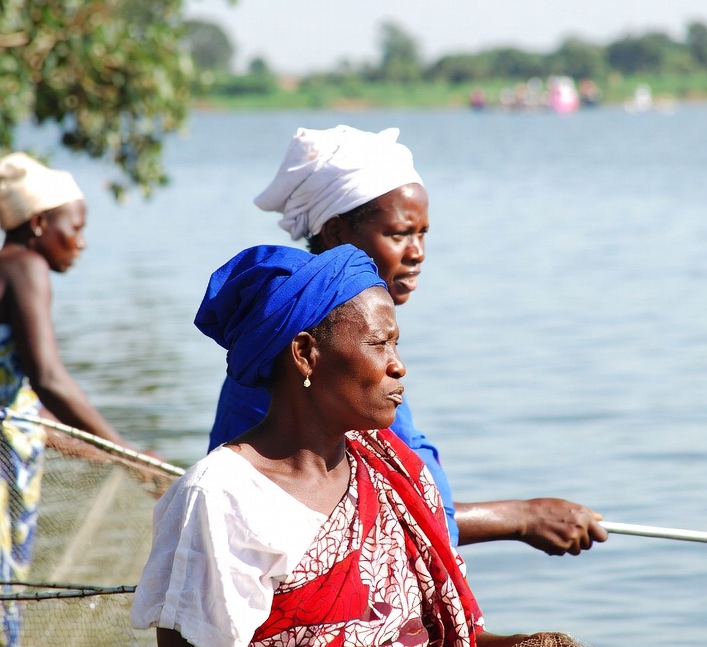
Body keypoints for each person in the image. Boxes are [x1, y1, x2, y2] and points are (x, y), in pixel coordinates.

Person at [132, 243, 594, 647]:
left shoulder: (392, 474)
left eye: (397, 344)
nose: (399, 366)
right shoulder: (221, 497)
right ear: (305, 356)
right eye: (380, 344)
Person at [208, 124, 608, 554]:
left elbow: (402, 498)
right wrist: (522, 518)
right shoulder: (297, 359)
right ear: (338, 233)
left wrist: (524, 518)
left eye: (423, 233)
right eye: (399, 234)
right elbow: (351, 520)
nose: (417, 251)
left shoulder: (366, 356)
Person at [0, 152, 139, 647]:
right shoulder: (22, 265)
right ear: (38, 224)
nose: (81, 242)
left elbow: (21, 401)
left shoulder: (4, 270)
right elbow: (50, 379)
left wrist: (102, 453)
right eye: (74, 227)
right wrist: (121, 449)